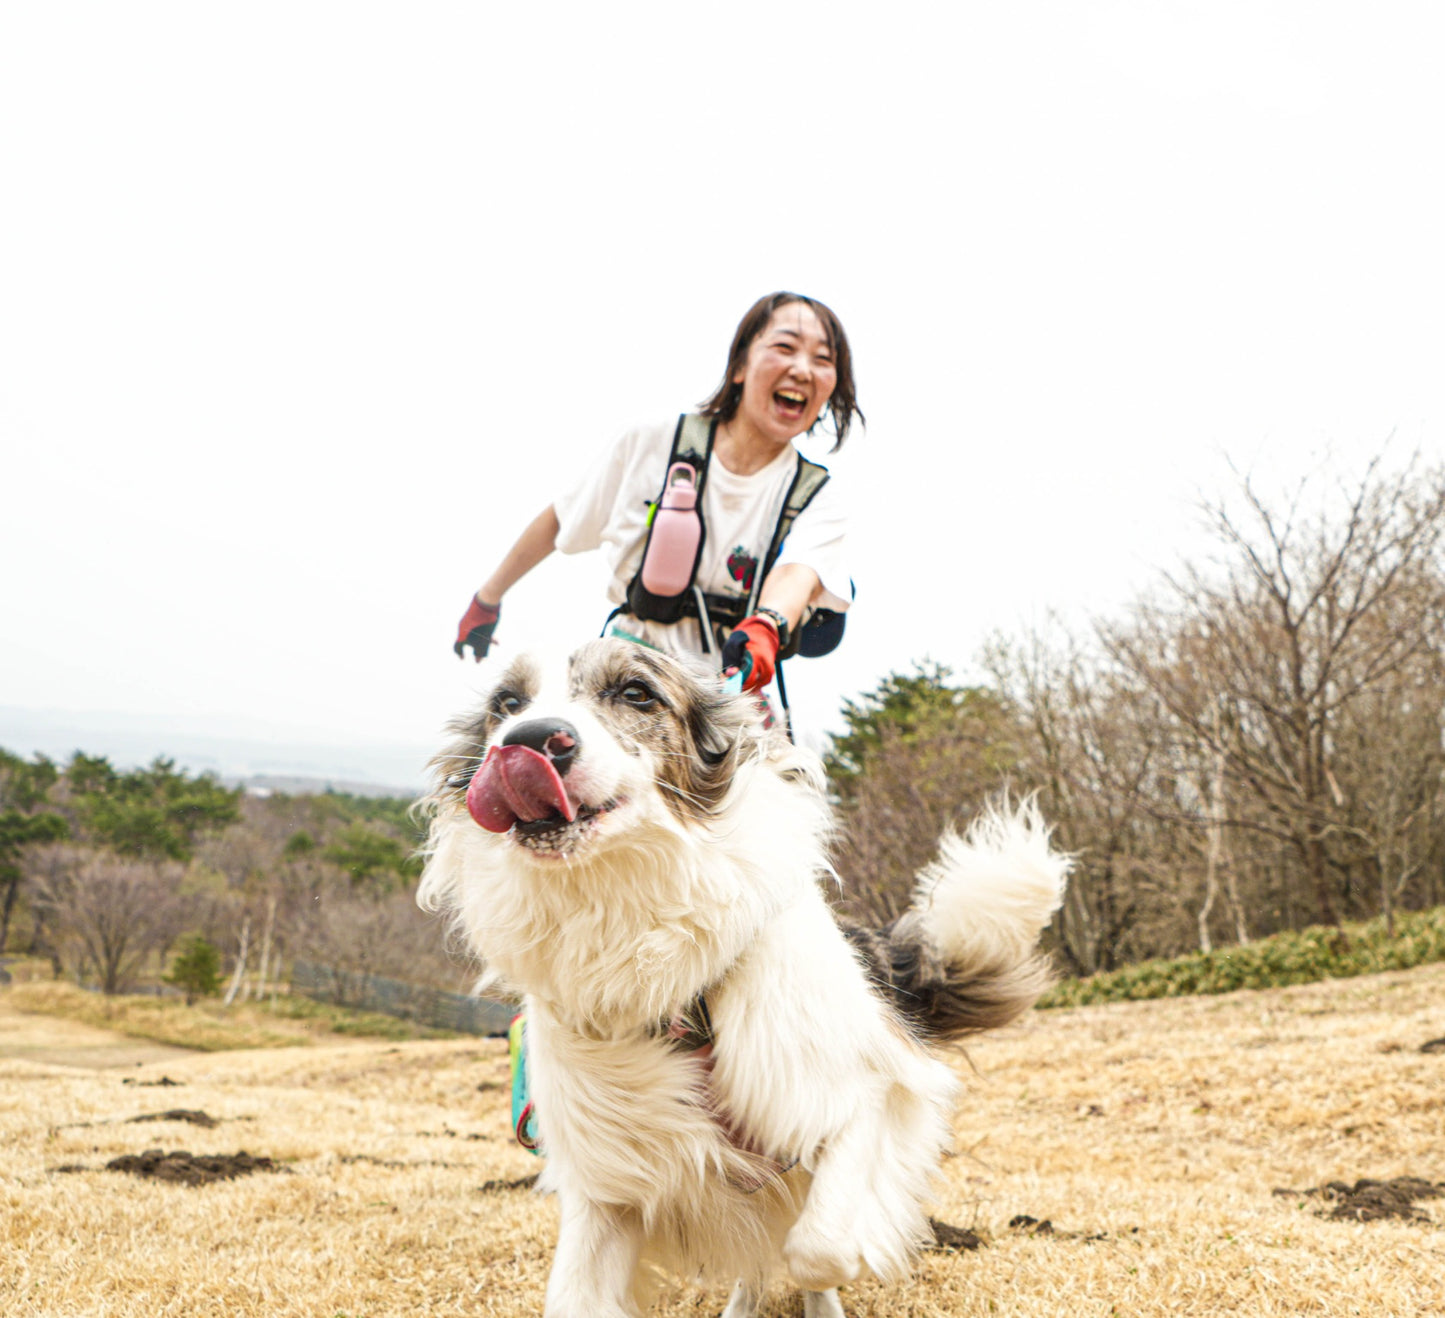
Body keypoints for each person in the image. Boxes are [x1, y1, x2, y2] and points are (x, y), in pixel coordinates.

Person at [454, 292, 860, 698]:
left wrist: (767, 626)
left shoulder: (818, 495)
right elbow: (564, 517)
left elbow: (798, 576)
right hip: (623, 677)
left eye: (823, 360)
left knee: (788, 765)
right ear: (740, 366)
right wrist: (487, 600)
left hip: (727, 696)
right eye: (784, 347)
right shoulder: (654, 442)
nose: (802, 370)